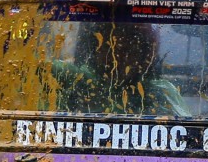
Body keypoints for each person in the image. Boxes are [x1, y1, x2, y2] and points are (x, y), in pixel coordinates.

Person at [52, 20, 188, 117]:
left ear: (145, 57)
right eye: (110, 47)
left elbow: (188, 136)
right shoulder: (72, 77)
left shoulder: (161, 93)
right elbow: (35, 64)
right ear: (94, 49)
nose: (118, 57)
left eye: (130, 50)